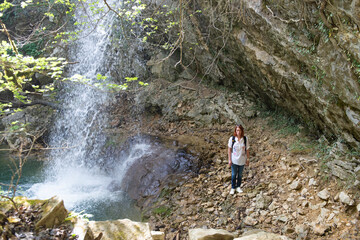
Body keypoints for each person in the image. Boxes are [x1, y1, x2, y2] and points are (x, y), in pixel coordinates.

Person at [228, 124, 250, 195]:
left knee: (240, 174)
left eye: (240, 130)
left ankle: (238, 186)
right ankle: (233, 187)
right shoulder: (232, 139)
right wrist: (229, 160)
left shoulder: (245, 139)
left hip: (242, 160)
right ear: (235, 131)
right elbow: (229, 149)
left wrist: (248, 159)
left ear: (242, 131)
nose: (239, 132)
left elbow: (247, 150)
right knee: (234, 174)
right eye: (237, 130)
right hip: (234, 160)